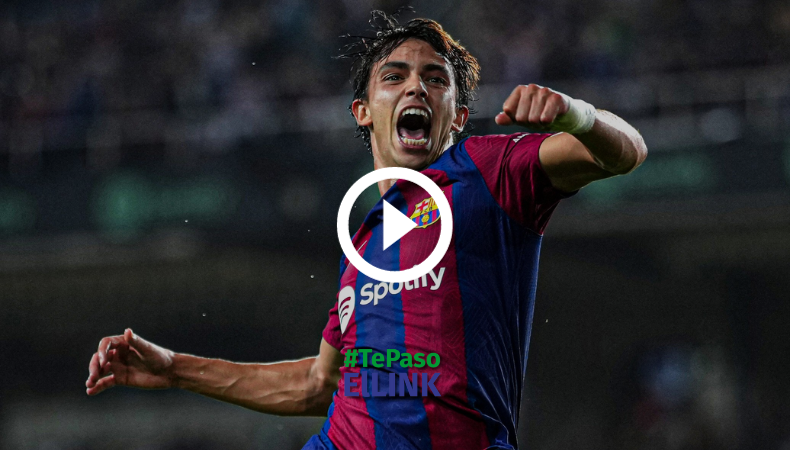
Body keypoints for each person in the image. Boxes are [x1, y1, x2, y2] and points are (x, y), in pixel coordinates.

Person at [86, 11, 646, 450]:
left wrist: (576, 114)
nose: (416, 88)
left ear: (456, 115)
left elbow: (627, 152)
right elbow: (318, 384)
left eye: (435, 79)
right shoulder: (362, 246)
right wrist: (176, 368)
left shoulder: (487, 171)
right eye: (394, 77)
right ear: (362, 110)